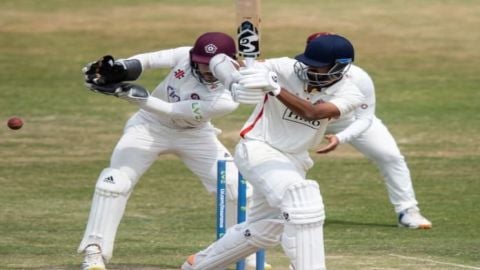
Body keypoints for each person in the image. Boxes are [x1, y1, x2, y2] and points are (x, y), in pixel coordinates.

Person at [78, 32, 267, 270]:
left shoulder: (229, 97)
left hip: (195, 134)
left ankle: (243, 254)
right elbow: (145, 62)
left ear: (228, 62)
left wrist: (132, 95)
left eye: (212, 65)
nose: (206, 69)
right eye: (201, 63)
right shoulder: (185, 56)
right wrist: (119, 67)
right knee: (113, 183)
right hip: (148, 127)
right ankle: (94, 252)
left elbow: (173, 111)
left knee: (234, 187)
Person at [181, 34, 364, 270]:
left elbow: (313, 113)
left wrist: (276, 89)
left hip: (294, 160)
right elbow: (224, 62)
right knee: (301, 202)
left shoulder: (350, 94)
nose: (308, 69)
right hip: (259, 148)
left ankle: (198, 265)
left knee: (265, 230)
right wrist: (237, 79)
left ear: (339, 67)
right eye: (307, 63)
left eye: (317, 67)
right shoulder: (285, 67)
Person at [308, 32, 432, 229]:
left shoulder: (358, 77)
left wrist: (340, 138)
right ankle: (273, 212)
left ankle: (408, 211)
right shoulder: (292, 71)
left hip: (349, 121)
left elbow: (365, 118)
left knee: (390, 156)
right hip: (303, 121)